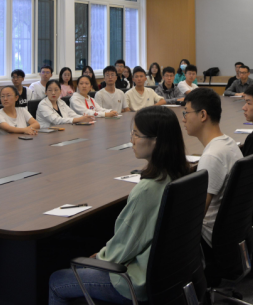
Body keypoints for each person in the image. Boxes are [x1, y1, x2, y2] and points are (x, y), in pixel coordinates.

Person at [47, 106, 191, 305]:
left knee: (57, 280)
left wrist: (100, 257)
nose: (131, 140)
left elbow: (124, 247)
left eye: (136, 134)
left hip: (133, 282)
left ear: (156, 141)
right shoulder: (180, 173)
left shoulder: (147, 190)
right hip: (170, 273)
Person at [183, 88, 242, 246]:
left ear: (203, 115)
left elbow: (197, 215)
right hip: (233, 231)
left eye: (186, 113)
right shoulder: (228, 142)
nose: (183, 119)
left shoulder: (212, 156)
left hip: (208, 237)